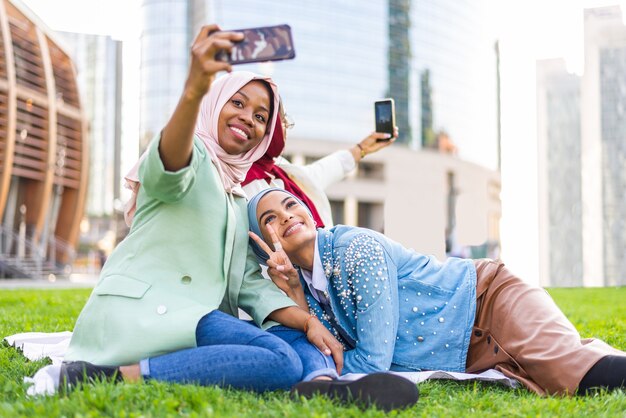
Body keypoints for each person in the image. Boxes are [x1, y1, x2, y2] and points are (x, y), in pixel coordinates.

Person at [61, 25, 346, 393]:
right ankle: (109, 376)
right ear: (214, 104)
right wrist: (195, 88)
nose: (249, 118)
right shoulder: (191, 152)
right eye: (238, 103)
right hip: (146, 308)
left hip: (194, 315)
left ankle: (321, 381)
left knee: (287, 351)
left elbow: (249, 284)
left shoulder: (237, 195)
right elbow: (167, 172)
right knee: (281, 361)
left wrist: (307, 322)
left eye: (261, 117)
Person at [247, 188, 626, 396]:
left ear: (311, 213)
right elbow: (322, 344)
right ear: (263, 242)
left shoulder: (355, 248)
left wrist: (333, 376)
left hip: (489, 302)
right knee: (562, 371)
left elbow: (372, 360)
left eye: (290, 204)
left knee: (576, 374)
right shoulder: (305, 284)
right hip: (471, 349)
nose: (286, 217)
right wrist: (295, 289)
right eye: (270, 219)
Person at [242, 102, 396, 227]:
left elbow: (316, 174)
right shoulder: (242, 181)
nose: (285, 128)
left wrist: (361, 149)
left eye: (286, 122)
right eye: (281, 121)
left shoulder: (277, 169)